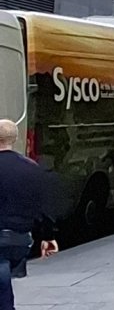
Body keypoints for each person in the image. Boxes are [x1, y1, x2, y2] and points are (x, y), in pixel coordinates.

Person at [0, 118, 65, 310]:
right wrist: (48, 237)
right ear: (15, 138)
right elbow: (43, 207)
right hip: (20, 239)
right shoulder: (32, 168)